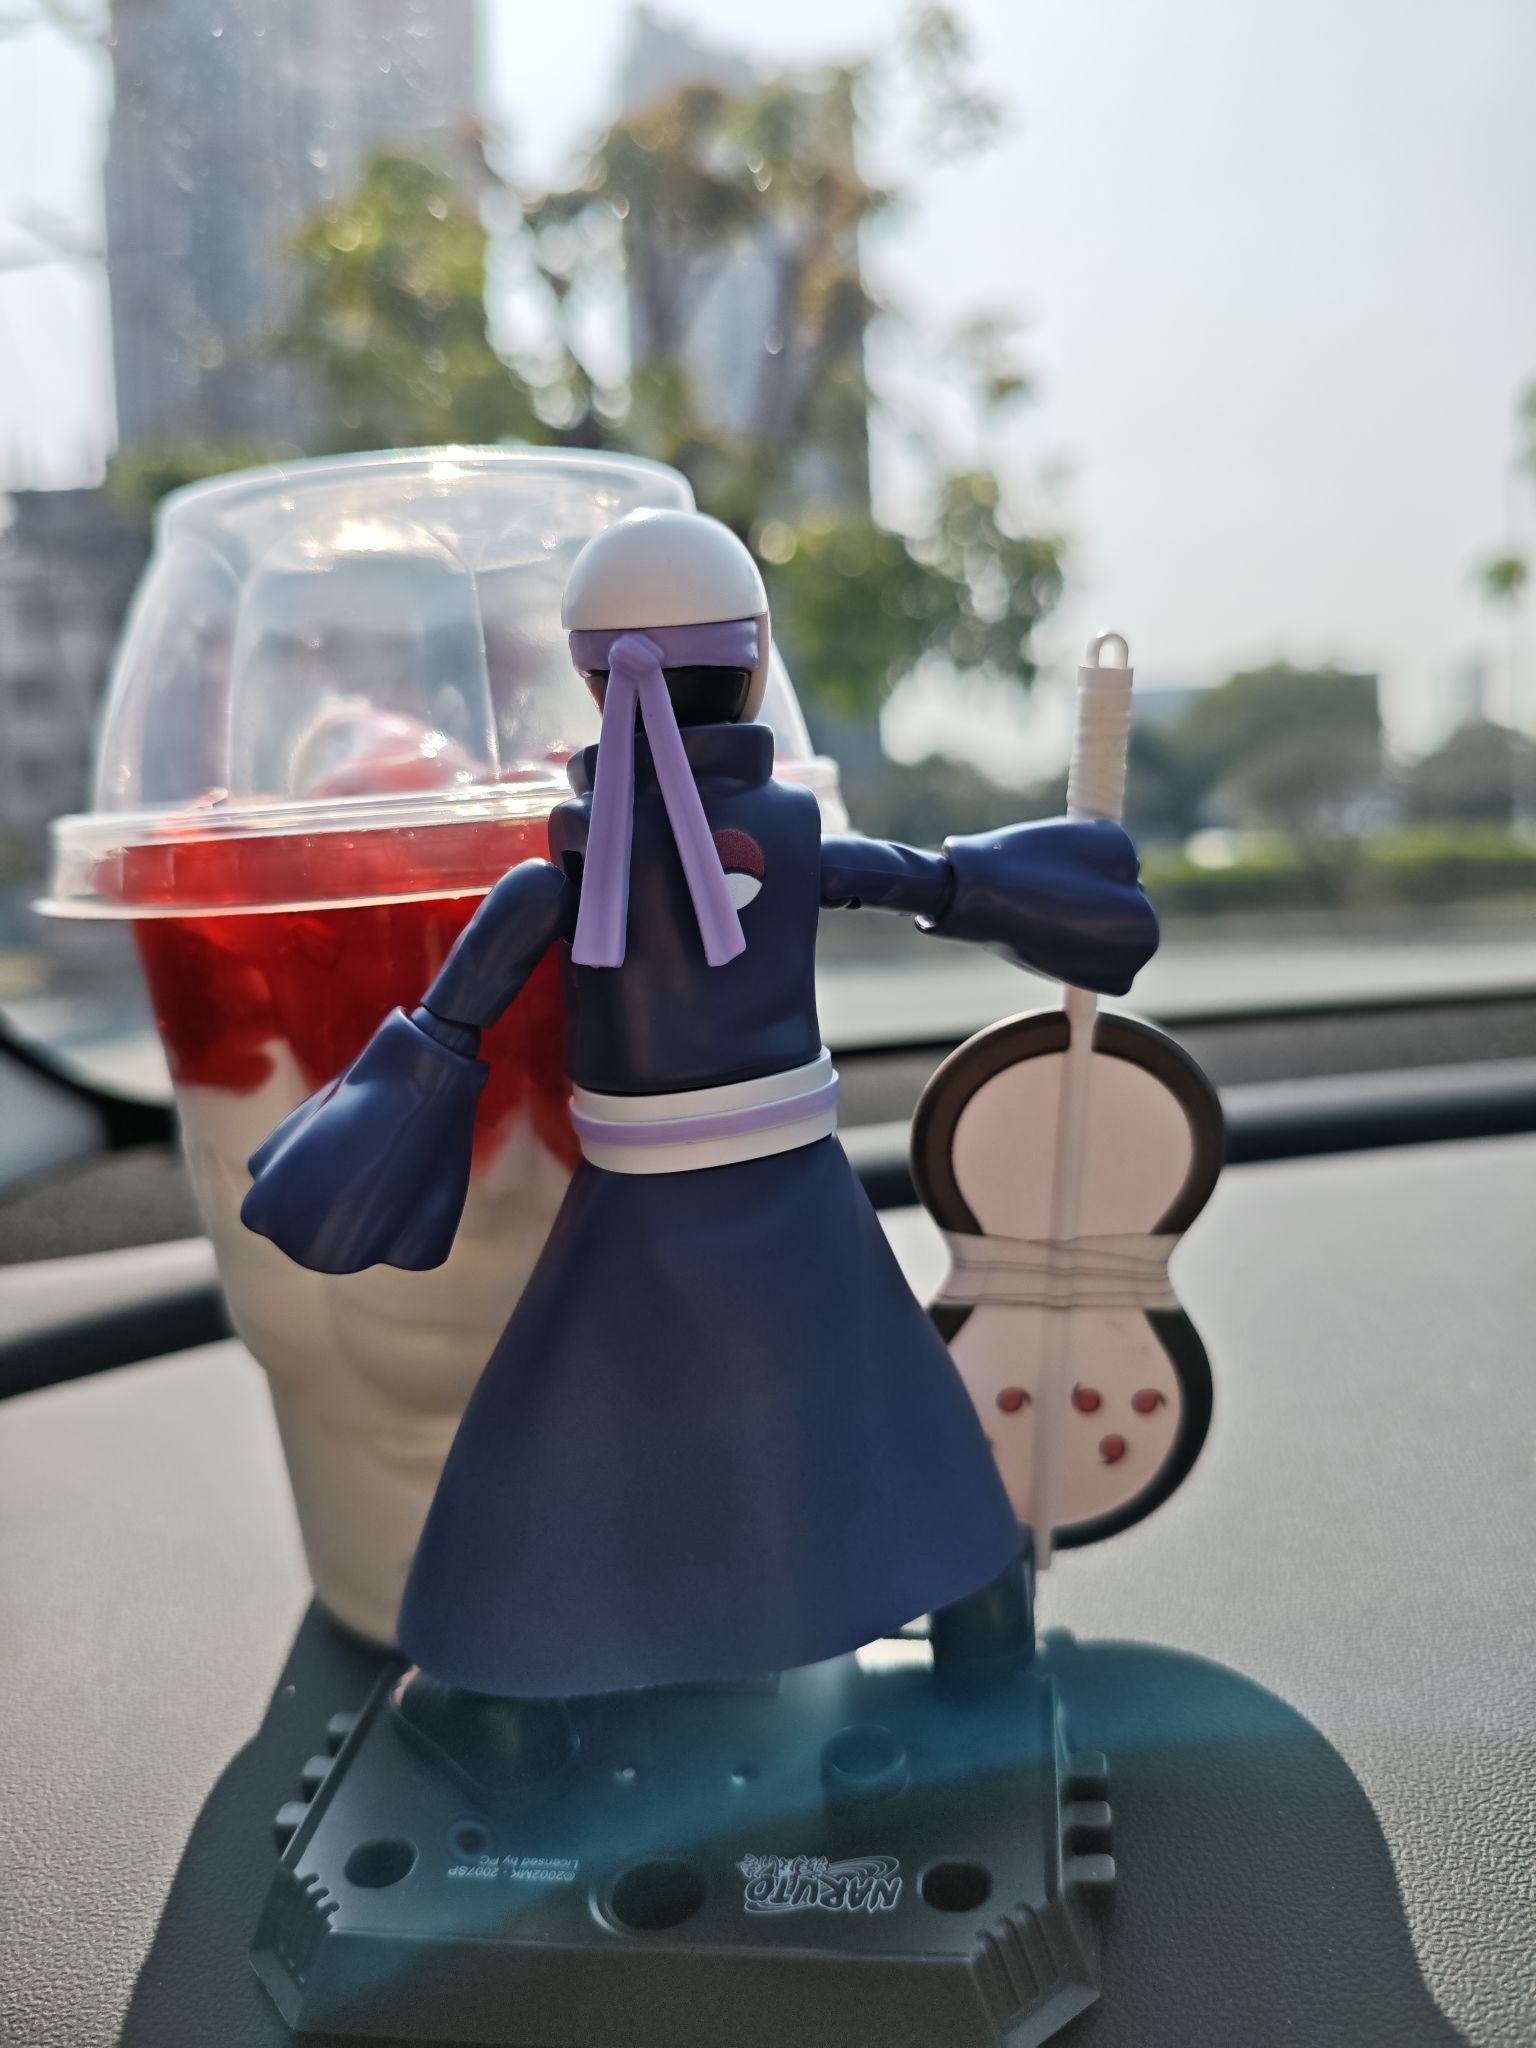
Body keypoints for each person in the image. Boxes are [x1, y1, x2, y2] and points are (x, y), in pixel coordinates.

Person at [242, 508, 1157, 1728]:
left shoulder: (561, 875)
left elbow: (448, 1027)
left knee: (559, 1436)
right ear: (755, 657)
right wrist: (1039, 892)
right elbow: (927, 880)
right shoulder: (792, 839)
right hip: (792, 1193)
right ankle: (981, 1620)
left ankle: (503, 1689)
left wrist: (371, 1136)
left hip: (636, 1214)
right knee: (882, 1401)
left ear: (590, 681)